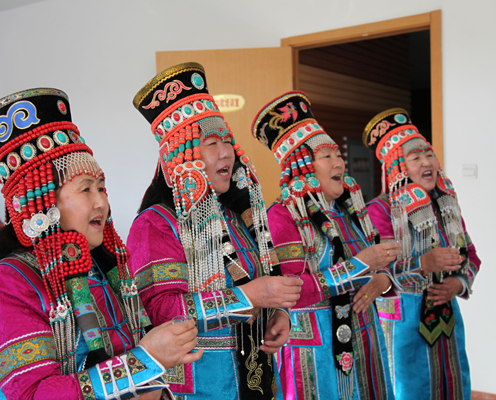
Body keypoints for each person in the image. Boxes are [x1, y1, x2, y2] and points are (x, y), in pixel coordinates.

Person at [0, 87, 202, 400]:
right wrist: (145, 361)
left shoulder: (97, 266)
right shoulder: (3, 286)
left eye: (101, 188)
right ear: (43, 202)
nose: (101, 203)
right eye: (86, 189)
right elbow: (36, 395)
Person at [129, 62, 299, 400]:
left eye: (228, 141)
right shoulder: (155, 224)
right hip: (202, 385)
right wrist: (249, 297)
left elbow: (258, 285)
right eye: (211, 143)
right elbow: (160, 311)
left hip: (256, 377)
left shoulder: (234, 216)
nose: (226, 153)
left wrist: (278, 313)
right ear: (181, 157)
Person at [252, 91, 398, 400]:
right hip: (313, 352)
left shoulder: (349, 212)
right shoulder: (282, 216)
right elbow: (289, 290)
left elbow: (379, 263)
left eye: (338, 155)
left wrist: (382, 279)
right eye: (326, 156)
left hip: (365, 337)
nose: (339, 162)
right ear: (303, 165)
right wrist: (359, 266)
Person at [363, 108, 480, 399]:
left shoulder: (445, 205)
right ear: (397, 167)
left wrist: (458, 283)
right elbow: (376, 272)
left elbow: (470, 254)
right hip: (403, 322)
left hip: (448, 319)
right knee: (408, 389)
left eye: (429, 153)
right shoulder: (379, 211)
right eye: (415, 158)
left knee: (455, 386)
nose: (427, 162)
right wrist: (424, 264)